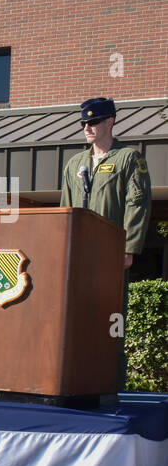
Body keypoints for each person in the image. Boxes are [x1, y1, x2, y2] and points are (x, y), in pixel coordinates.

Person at [59, 97, 151, 389]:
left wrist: (128, 248)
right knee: (76, 320)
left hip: (109, 254)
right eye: (84, 123)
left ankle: (110, 387)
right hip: (79, 257)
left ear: (109, 121)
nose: (87, 127)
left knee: (110, 323)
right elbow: (66, 208)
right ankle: (77, 385)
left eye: (93, 121)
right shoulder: (75, 163)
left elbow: (137, 204)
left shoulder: (128, 158)